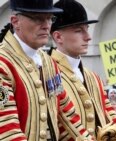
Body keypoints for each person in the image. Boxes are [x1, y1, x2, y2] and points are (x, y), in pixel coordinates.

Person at [0, 0, 94, 140]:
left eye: (50, 18)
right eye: (37, 18)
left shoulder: (49, 63)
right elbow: (7, 130)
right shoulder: (3, 63)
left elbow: (68, 117)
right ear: (15, 21)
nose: (46, 26)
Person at [49, 0, 116, 139]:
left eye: (86, 29)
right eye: (79, 31)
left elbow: (111, 116)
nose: (88, 37)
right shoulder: (47, 74)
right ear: (58, 36)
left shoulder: (93, 77)